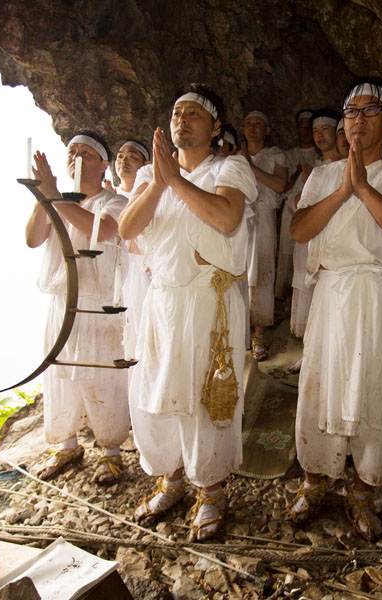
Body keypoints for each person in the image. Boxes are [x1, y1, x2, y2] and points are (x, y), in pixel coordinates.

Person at [287, 77, 382, 541]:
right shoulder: (323, 176)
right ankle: (313, 480)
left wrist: (365, 189)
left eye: (370, 112)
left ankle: (365, 489)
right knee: (321, 389)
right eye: (350, 112)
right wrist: (343, 190)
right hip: (332, 298)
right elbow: (300, 230)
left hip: (377, 298)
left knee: (375, 390)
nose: (357, 121)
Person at [118, 84, 257, 542]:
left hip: (206, 302)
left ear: (215, 128)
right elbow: (127, 228)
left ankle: (212, 489)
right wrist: (158, 182)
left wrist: (175, 181)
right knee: (159, 393)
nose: (182, 118)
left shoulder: (229, 166)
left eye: (195, 112)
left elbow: (226, 218)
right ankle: (172, 478)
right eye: (176, 111)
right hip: (163, 301)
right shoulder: (149, 178)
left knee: (205, 398)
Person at [24, 131, 131, 486]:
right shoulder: (55, 200)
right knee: (59, 375)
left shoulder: (111, 201)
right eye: (72, 151)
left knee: (102, 377)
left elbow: (106, 232)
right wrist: (45, 198)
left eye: (87, 152)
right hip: (61, 301)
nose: (77, 157)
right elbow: (33, 239)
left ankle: (111, 452)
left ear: (103, 165)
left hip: (98, 306)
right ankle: (67, 444)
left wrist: (56, 197)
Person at [288, 108, 342, 374]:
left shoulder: (344, 166)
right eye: (316, 131)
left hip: (334, 244)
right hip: (309, 241)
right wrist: (309, 184)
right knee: (310, 298)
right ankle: (308, 353)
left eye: (326, 130)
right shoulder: (313, 168)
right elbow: (298, 206)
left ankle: (327, 356)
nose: (320, 136)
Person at [241, 111, 289, 361]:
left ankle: (258, 334)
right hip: (239, 220)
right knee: (238, 273)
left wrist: (250, 166)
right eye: (248, 123)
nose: (253, 127)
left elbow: (280, 185)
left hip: (264, 218)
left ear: (267, 129)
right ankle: (240, 332)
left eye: (258, 123)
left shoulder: (276, 155)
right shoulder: (235, 156)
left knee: (261, 272)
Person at [108, 140, 151, 364]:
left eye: (131, 156)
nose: (124, 160)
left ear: (146, 164)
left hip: (139, 269)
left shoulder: (149, 195)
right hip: (113, 270)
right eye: (120, 156)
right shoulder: (109, 196)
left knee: (140, 326)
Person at [276, 109, 319, 300]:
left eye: (309, 126)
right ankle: (283, 296)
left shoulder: (319, 155)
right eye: (301, 126)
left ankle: (302, 296)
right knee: (286, 251)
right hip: (289, 207)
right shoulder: (289, 154)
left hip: (310, 208)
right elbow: (283, 186)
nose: (305, 130)